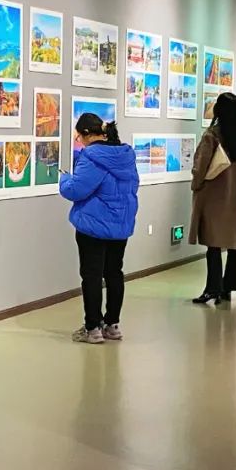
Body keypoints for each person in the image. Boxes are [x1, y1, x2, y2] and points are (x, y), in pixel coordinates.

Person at [59, 114, 139, 344]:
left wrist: (64, 179)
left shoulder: (92, 156)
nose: (79, 142)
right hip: (120, 225)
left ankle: (92, 328)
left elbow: (76, 190)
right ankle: (112, 325)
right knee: (114, 273)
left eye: (78, 137)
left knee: (92, 276)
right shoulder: (125, 155)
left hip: (93, 226)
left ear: (86, 134)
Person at [189, 92, 236, 305]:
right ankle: (228, 287)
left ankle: (212, 288)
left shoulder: (212, 136)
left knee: (213, 244)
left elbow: (200, 167)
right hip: (234, 198)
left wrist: (196, 184)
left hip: (212, 196)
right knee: (233, 243)